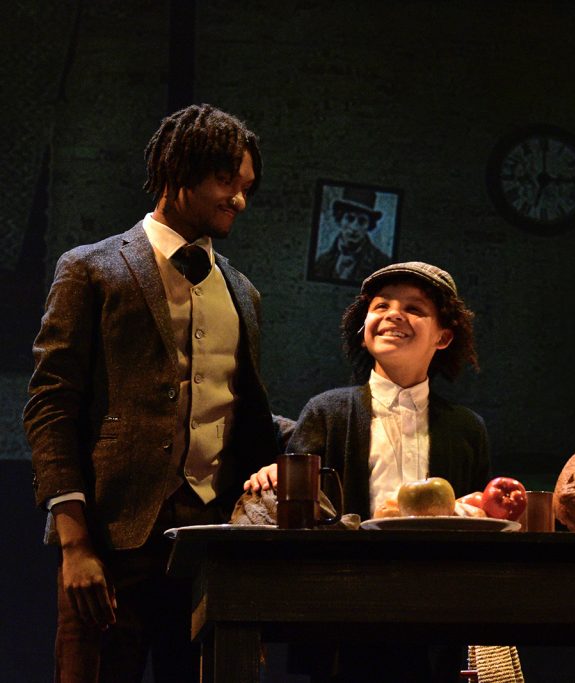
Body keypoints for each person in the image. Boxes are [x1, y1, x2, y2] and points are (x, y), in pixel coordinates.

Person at [23, 104, 280, 682]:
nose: (239, 199)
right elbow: (51, 406)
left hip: (210, 547)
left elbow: (241, 411)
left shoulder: (243, 292)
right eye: (226, 181)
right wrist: (74, 544)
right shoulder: (90, 269)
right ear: (177, 170)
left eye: (247, 188)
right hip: (110, 542)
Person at [246, 260, 490, 682]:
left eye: (414, 308)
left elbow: (478, 519)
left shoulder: (467, 429)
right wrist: (275, 476)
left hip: (435, 623)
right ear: (363, 329)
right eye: (381, 306)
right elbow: (300, 519)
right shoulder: (327, 411)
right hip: (342, 622)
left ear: (444, 336)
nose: (394, 314)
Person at [311, 187, 391, 282]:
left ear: (369, 225)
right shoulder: (322, 261)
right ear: (340, 219)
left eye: (362, 221)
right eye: (350, 218)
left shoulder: (382, 264)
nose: (354, 228)